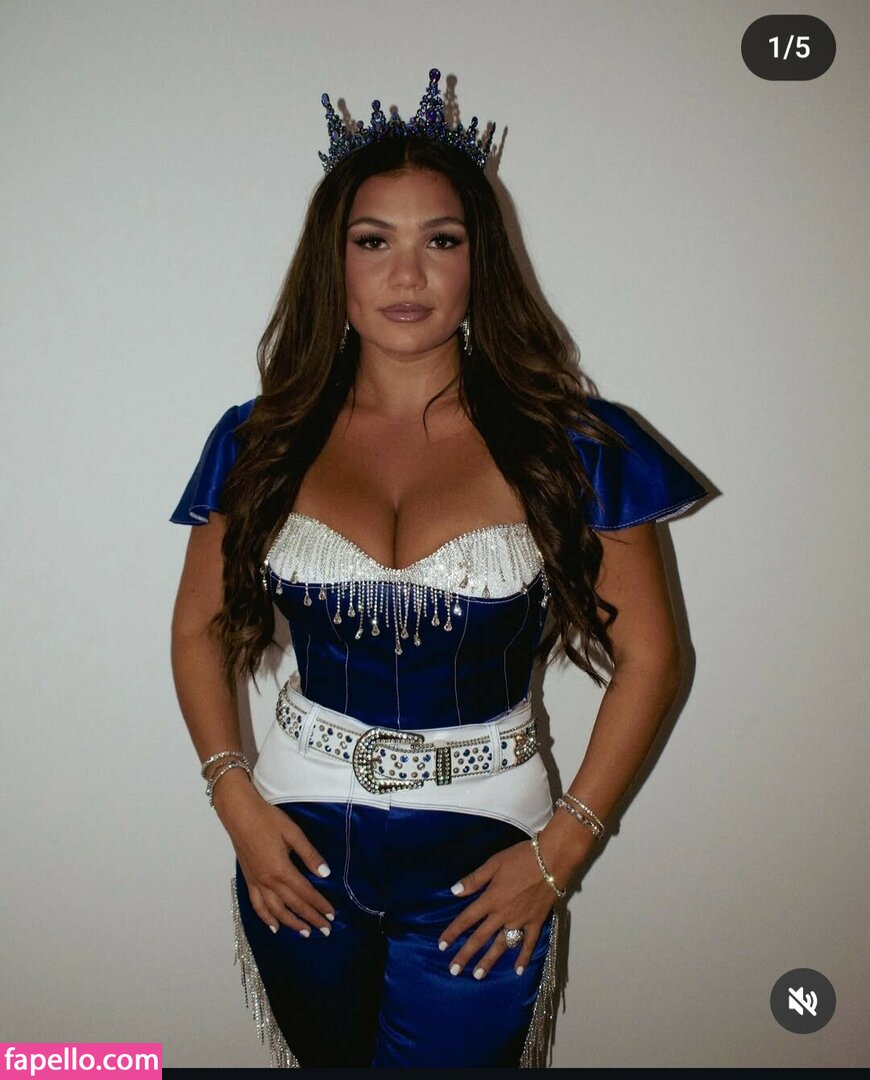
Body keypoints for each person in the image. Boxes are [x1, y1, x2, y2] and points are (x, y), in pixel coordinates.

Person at [169, 68, 709, 1068]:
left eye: (442, 241)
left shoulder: (581, 445)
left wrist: (567, 844)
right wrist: (234, 800)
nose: (407, 276)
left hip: (490, 852)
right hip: (291, 841)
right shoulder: (259, 440)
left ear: (479, 262)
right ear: (333, 262)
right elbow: (199, 625)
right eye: (374, 241)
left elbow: (653, 659)